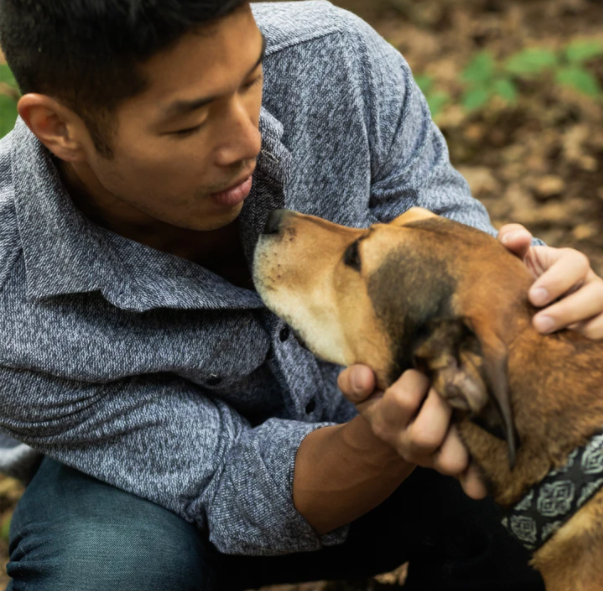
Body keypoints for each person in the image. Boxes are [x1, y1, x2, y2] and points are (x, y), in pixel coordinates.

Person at [0, 1, 602, 589]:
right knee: (104, 569)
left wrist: (546, 320)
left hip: (415, 449)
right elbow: (229, 485)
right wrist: (385, 437)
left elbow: (456, 251)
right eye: (187, 123)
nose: (246, 141)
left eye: (252, 78)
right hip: (162, 504)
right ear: (58, 129)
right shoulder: (8, 296)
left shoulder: (335, 57)